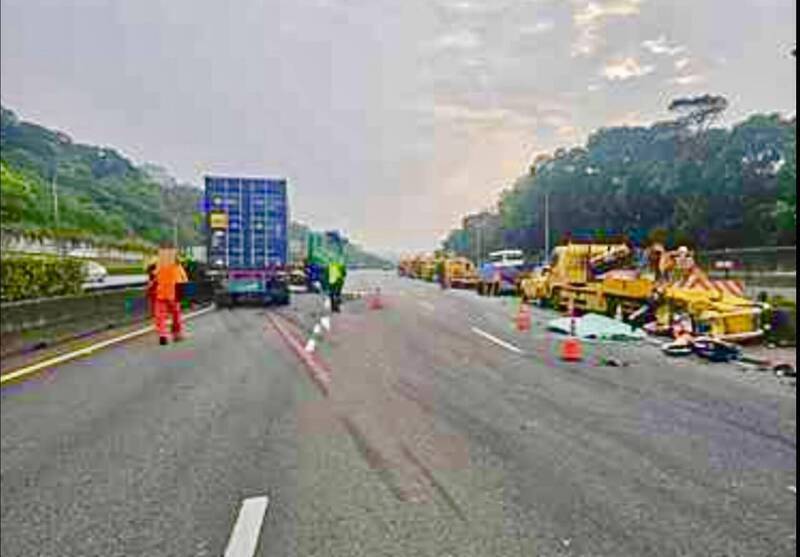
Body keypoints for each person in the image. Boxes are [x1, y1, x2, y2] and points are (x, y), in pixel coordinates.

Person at [154, 243, 188, 345]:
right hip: (174, 294)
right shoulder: (177, 265)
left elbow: (155, 277)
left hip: (161, 294)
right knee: (176, 315)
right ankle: (177, 334)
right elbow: (184, 279)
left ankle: (162, 335)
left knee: (161, 316)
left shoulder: (159, 264)